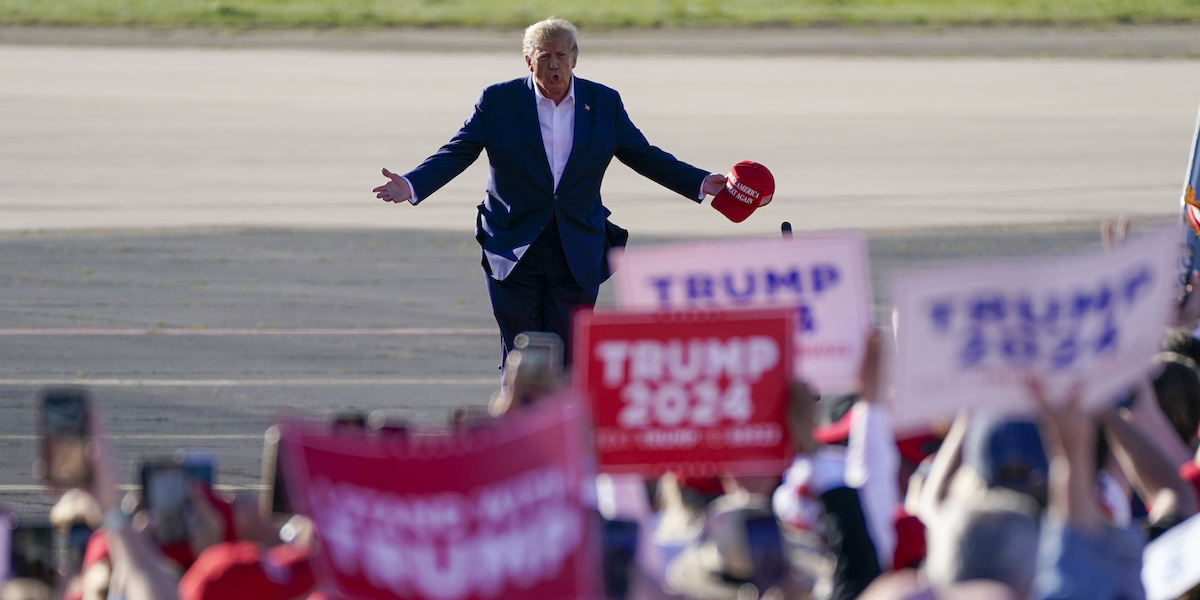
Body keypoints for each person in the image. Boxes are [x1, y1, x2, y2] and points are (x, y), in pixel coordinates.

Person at [373, 17, 726, 366]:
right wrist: (411, 183)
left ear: (574, 58)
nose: (554, 65)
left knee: (570, 357)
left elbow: (643, 155)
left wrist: (698, 181)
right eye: (544, 57)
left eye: (561, 55)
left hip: (576, 245)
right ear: (528, 61)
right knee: (521, 357)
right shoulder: (499, 101)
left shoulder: (604, 102)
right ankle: (520, 420)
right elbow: (459, 150)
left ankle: (562, 422)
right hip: (513, 245)